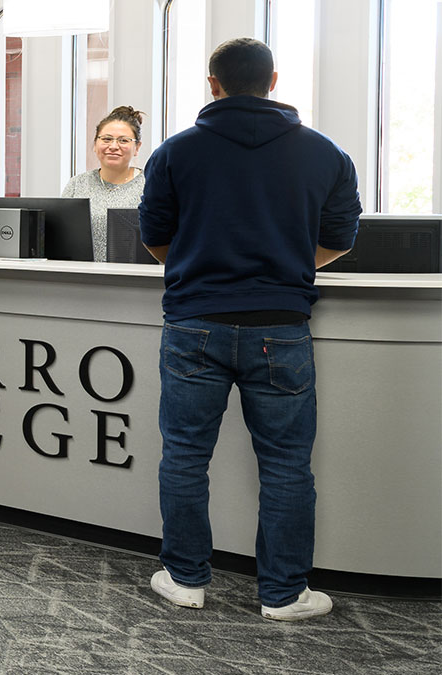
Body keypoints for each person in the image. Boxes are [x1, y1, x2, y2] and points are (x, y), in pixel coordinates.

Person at [139, 37, 359, 622]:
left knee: (185, 454)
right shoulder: (325, 153)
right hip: (281, 326)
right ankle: (284, 593)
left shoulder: (174, 152)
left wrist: (203, 264)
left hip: (193, 322)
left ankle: (184, 580)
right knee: (287, 463)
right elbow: (340, 238)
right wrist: (283, 267)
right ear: (274, 80)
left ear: (213, 84)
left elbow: (155, 235)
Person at [63, 106, 149, 262]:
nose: (113, 146)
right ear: (95, 144)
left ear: (137, 147)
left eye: (123, 140)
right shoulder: (78, 184)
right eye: (107, 139)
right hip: (80, 277)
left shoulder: (150, 186)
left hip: (134, 279)